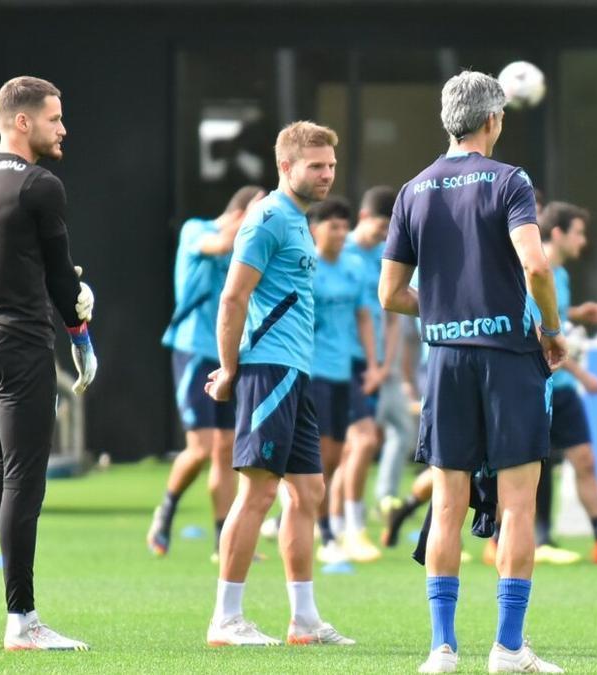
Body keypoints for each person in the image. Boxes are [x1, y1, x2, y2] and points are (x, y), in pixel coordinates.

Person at [379, 70, 566, 674]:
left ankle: (441, 649)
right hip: (509, 358)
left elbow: (390, 294)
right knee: (516, 504)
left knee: (448, 504)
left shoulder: (413, 189)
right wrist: (553, 330)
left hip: (446, 361)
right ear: (494, 121)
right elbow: (536, 267)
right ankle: (509, 649)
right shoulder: (510, 180)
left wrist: (445, 311)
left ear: (446, 120)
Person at [0, 76, 97, 651]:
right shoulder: (40, 184)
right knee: (26, 479)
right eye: (54, 118)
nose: (63, 128)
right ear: (23, 121)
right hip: (20, 343)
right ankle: (22, 621)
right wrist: (80, 332)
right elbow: (60, 274)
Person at [204, 121, 354, 647]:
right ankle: (226, 619)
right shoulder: (267, 217)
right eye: (316, 165)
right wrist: (227, 371)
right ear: (285, 167)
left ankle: (305, 621)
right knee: (259, 492)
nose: (326, 174)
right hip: (267, 371)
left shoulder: (298, 221)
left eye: (330, 165)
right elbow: (232, 297)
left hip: (295, 374)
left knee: (308, 492)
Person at [148, 185, 264, 561]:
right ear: (240, 212)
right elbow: (216, 246)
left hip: (226, 355)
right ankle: (166, 509)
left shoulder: (245, 247)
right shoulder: (196, 230)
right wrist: (247, 224)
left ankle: (221, 539)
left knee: (225, 450)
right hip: (193, 351)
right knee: (198, 449)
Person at [530, 200, 597, 565]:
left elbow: (554, 319)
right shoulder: (536, 269)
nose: (584, 240)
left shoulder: (558, 275)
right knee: (531, 466)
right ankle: (522, 538)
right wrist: (584, 375)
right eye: (578, 232)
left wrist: (577, 313)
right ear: (558, 233)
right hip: (537, 384)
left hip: (560, 388)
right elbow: (538, 335)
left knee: (584, 459)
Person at [307, 196, 380, 567]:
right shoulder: (306, 266)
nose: (338, 233)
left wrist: (371, 363)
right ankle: (326, 533)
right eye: (331, 225)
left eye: (342, 226)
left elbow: (365, 317)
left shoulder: (353, 266)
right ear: (314, 229)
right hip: (313, 371)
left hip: (344, 370)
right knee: (320, 458)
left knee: (335, 458)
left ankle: (326, 522)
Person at [339, 185, 404, 563]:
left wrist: (382, 367)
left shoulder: (385, 257)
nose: (385, 233)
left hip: (372, 367)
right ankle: (349, 527)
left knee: (354, 448)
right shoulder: (338, 252)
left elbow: (392, 321)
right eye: (381, 225)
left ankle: (338, 527)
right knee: (356, 445)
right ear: (363, 218)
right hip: (342, 362)